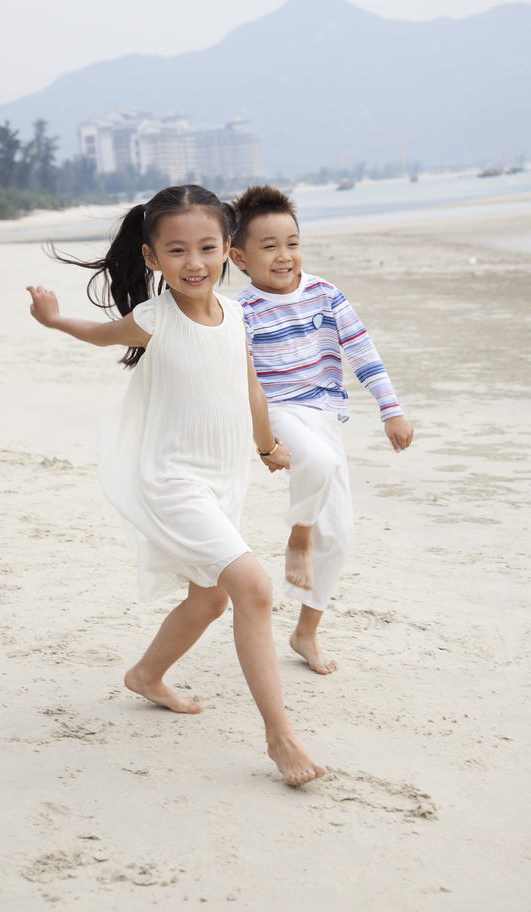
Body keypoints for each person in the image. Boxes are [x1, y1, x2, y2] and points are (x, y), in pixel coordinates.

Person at [26, 184, 326, 785]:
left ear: (227, 251)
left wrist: (267, 448)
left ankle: (145, 676)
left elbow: (251, 389)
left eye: (207, 247)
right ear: (151, 258)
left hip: (221, 481)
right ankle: (280, 736)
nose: (194, 262)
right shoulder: (155, 318)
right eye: (177, 250)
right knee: (253, 588)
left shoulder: (235, 314)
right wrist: (55, 318)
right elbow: (99, 333)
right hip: (172, 482)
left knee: (209, 598)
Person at [229, 185, 414, 676]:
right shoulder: (240, 313)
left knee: (343, 535)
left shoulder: (326, 294)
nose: (284, 255)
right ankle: (298, 535)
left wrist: (390, 409)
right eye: (268, 246)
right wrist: (261, 441)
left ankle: (304, 630)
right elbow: (233, 384)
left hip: (325, 413)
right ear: (239, 257)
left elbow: (361, 351)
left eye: (292, 242)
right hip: (279, 409)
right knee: (319, 463)